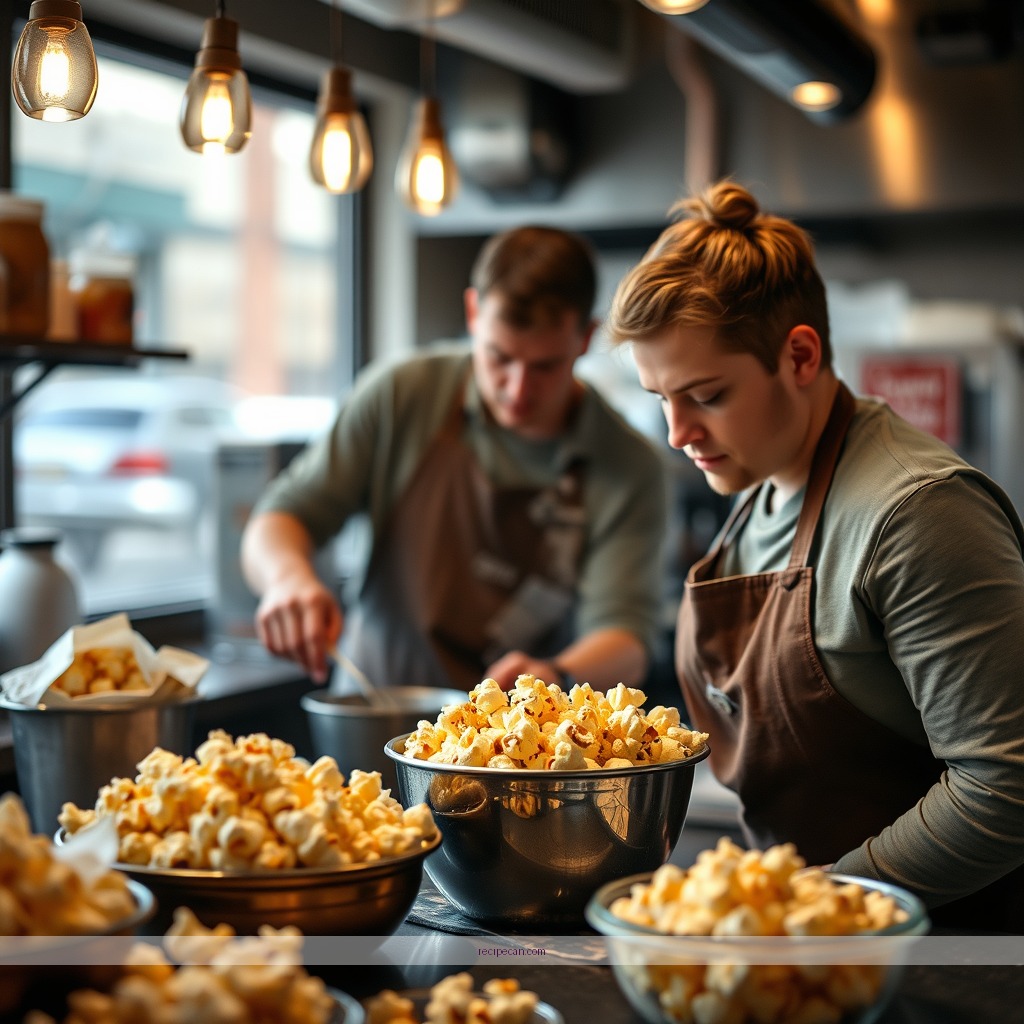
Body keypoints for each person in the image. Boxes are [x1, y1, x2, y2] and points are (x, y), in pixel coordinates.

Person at [605, 179, 1024, 931]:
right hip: (798, 946)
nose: (677, 433)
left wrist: (810, 906)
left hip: (945, 956)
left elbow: (1006, 787)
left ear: (799, 355)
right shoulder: (759, 489)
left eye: (706, 395)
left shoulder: (918, 512)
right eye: (661, 398)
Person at [241, 225, 667, 696]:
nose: (517, 390)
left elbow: (625, 636)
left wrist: (555, 675)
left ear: (585, 338)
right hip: (376, 706)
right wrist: (287, 579)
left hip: (511, 730)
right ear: (473, 313)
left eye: (545, 366)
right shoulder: (402, 395)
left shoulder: (628, 464)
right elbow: (282, 516)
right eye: (499, 357)